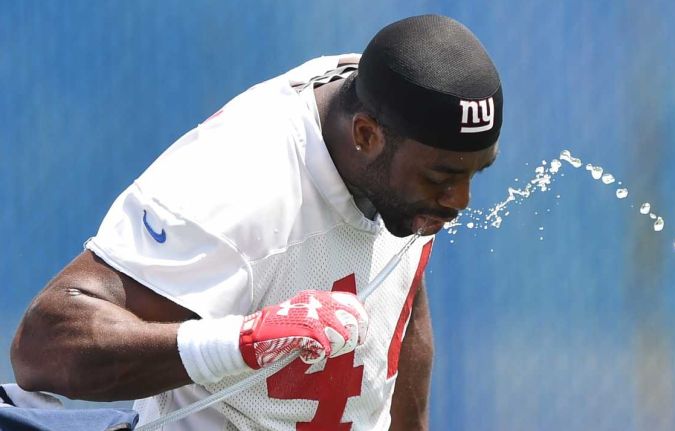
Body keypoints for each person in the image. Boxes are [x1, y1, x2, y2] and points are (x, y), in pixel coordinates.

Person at [10, 14, 502, 430]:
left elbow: (400, 292)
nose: (460, 200)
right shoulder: (236, 183)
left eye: (475, 173)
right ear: (367, 135)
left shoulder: (395, 129)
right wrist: (243, 341)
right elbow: (44, 346)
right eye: (443, 177)